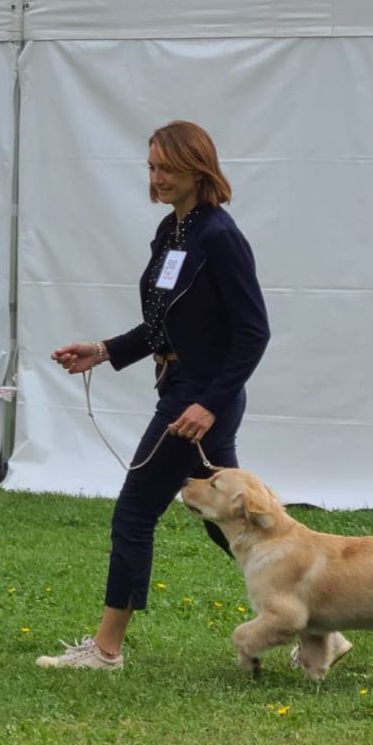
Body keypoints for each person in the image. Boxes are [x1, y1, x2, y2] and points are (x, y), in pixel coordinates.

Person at [37, 120, 271, 670]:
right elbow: (163, 326)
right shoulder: (173, 232)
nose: (156, 177)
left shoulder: (219, 236)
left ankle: (106, 650)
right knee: (234, 522)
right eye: (151, 167)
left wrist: (208, 404)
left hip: (198, 400)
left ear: (198, 167)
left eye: (167, 167)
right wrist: (102, 350)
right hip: (186, 391)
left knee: (135, 513)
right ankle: (321, 624)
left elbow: (253, 332)